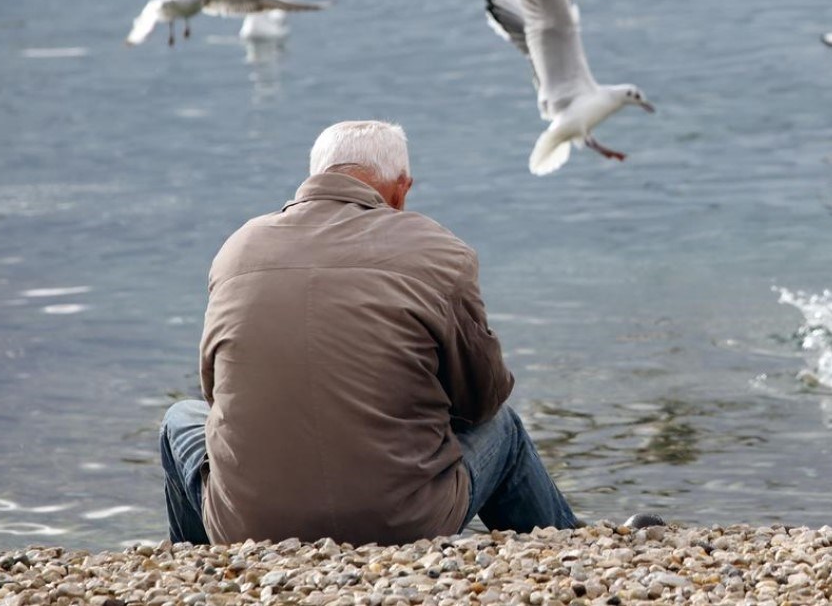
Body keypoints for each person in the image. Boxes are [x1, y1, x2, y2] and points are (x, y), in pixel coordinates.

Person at [160, 120, 580, 545]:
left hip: (248, 529)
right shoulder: (438, 250)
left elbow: (218, 396)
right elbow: (481, 399)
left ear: (314, 176)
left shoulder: (237, 250)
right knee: (502, 428)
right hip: (401, 523)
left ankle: (203, 565)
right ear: (401, 188)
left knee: (181, 417)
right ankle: (567, 544)